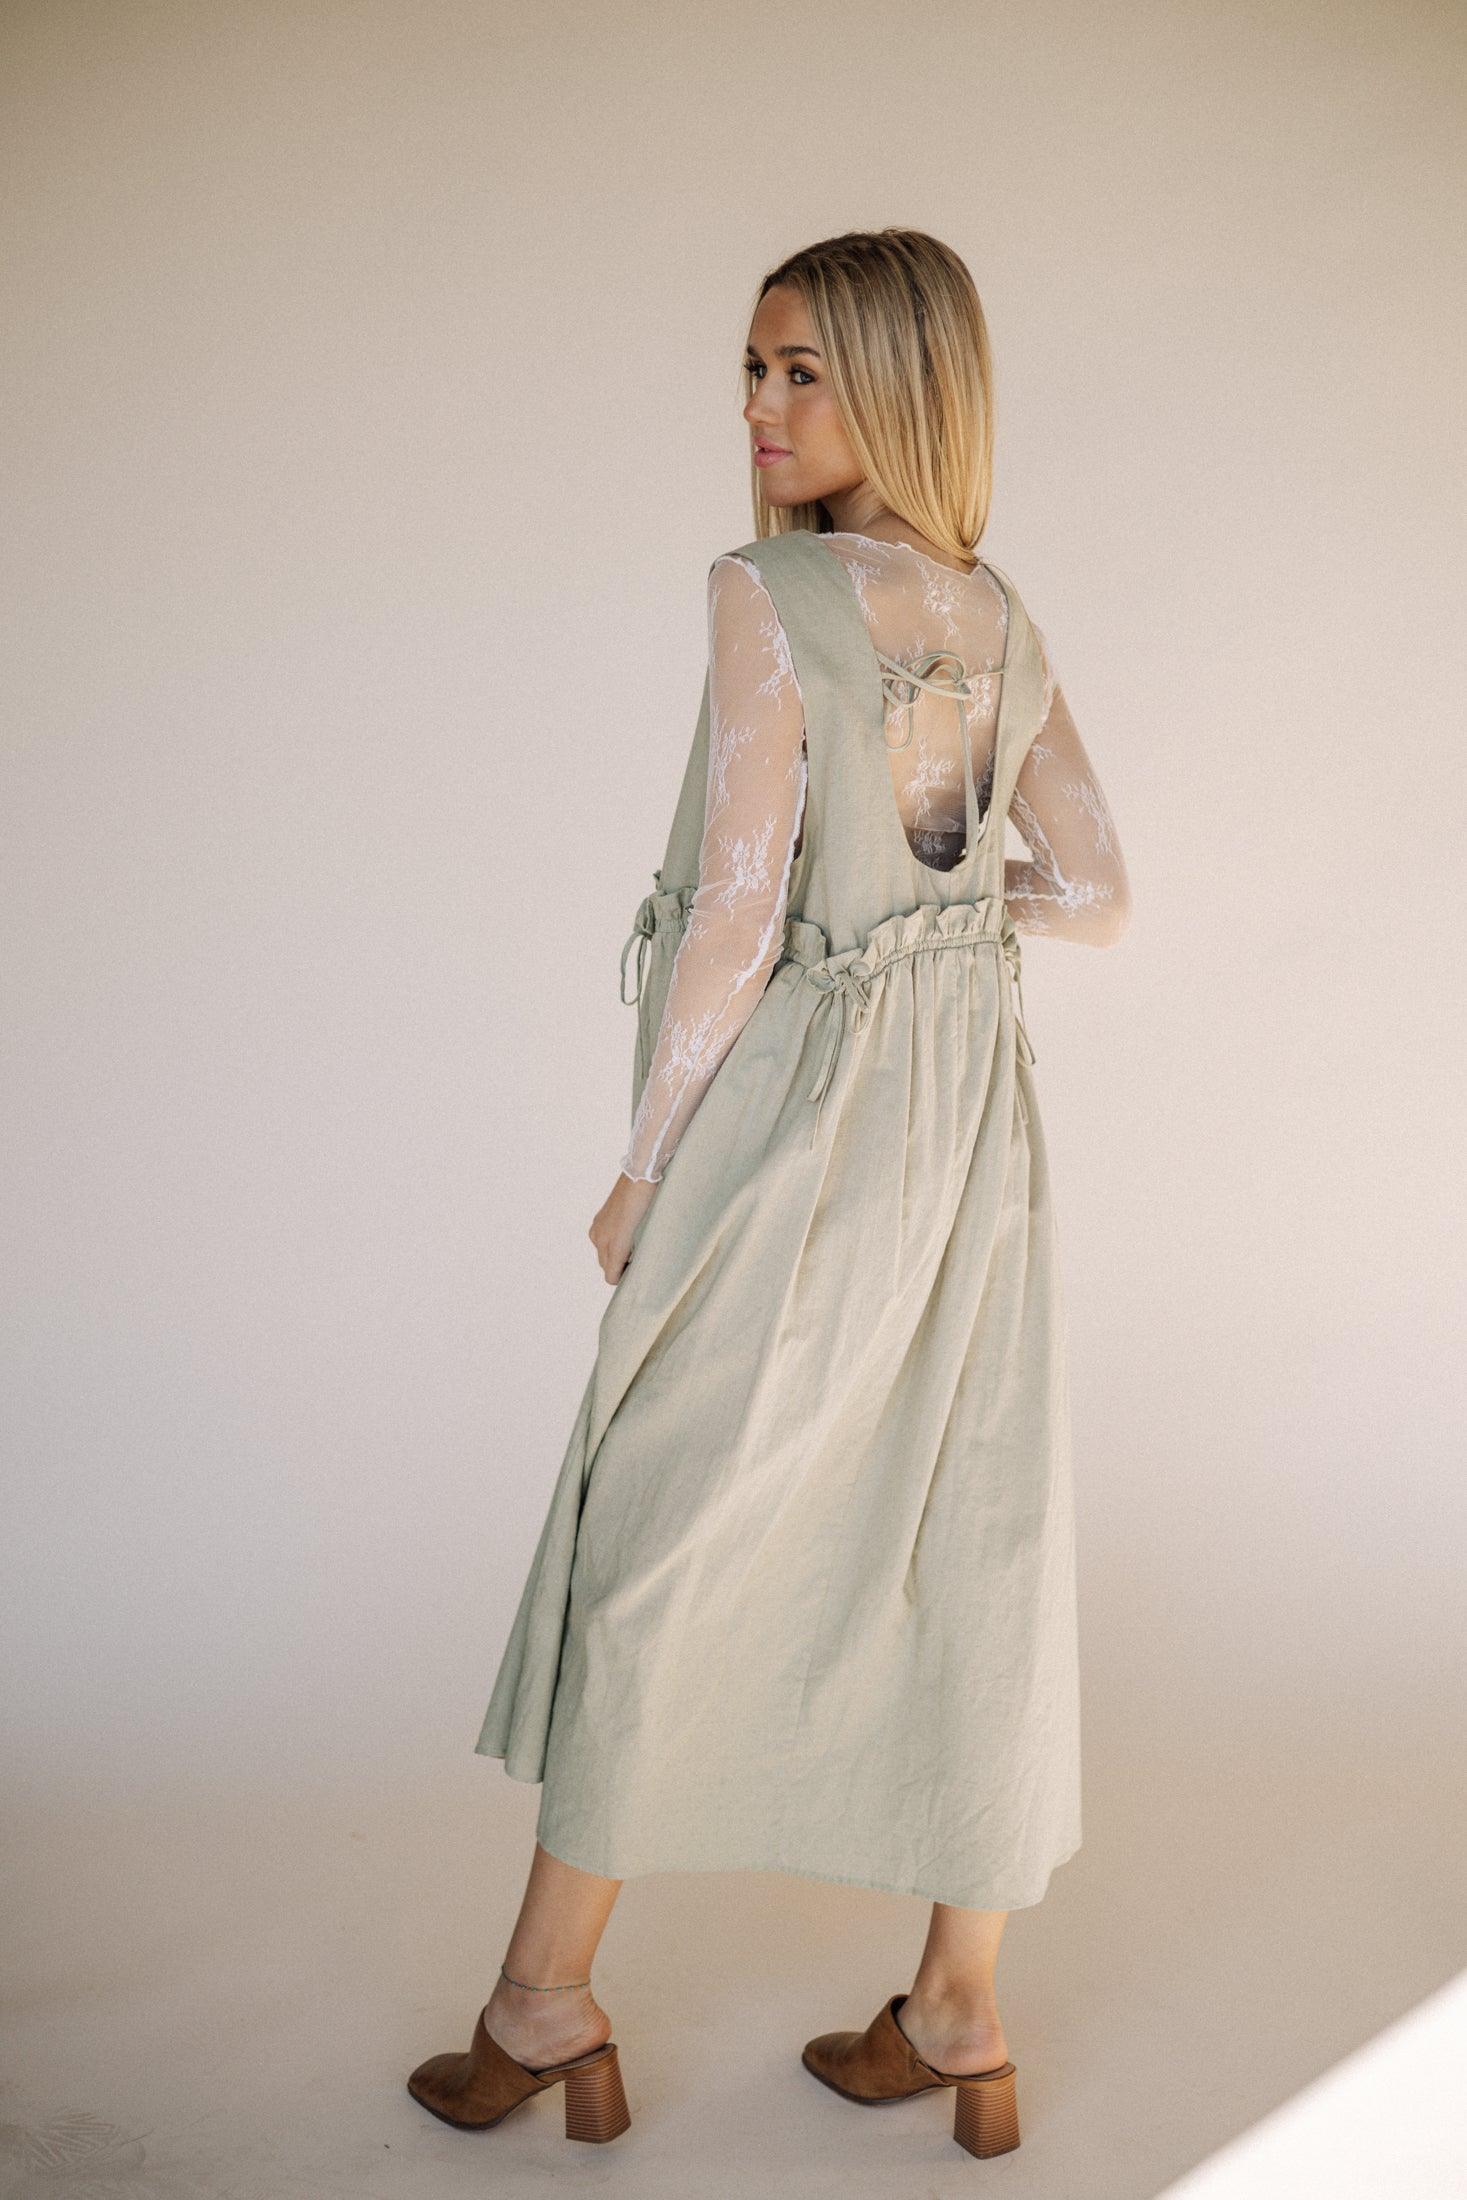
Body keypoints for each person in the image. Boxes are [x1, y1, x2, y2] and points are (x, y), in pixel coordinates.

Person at [406, 228, 1131, 2160]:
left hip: (808, 1116)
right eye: (750, 368)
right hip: (972, 1129)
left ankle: (544, 2000)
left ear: (902, 384)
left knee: (659, 1520)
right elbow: (1095, 890)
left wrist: (645, 1167)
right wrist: (940, 926)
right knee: (966, 1528)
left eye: (802, 370)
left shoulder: (770, 590)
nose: (759, 406)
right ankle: (959, 2008)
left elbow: (737, 911)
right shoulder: (995, 612)